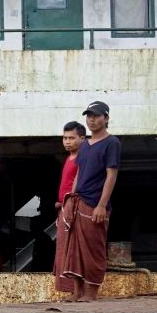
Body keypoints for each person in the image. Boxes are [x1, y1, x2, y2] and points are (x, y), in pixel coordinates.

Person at [56, 101, 121, 302]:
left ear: (106, 118)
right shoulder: (84, 146)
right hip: (78, 202)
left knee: (93, 248)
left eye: (96, 116)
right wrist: (71, 198)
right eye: (89, 116)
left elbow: (111, 176)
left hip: (95, 203)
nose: (92, 119)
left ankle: (92, 292)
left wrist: (102, 205)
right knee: (73, 248)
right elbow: (79, 174)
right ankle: (77, 291)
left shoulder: (112, 143)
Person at [52, 121, 86, 295]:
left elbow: (78, 184)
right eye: (65, 138)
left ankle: (77, 292)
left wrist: (69, 202)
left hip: (74, 206)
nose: (67, 141)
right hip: (64, 207)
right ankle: (70, 291)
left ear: (82, 138)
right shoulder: (68, 157)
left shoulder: (82, 157)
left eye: (71, 138)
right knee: (63, 249)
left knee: (73, 249)